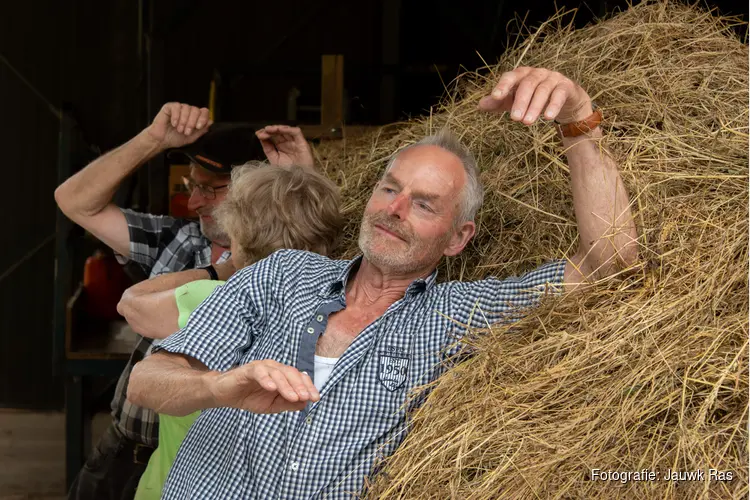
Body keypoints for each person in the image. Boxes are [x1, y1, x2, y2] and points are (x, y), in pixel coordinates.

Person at [127, 67, 639, 499]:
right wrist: (218, 386)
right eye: (389, 189)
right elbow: (148, 381)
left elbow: (608, 264)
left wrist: (578, 119)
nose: (393, 210)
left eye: (422, 203)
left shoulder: (458, 315)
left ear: (458, 238)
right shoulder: (283, 274)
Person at [54, 101, 317, 500]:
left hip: (207, 472)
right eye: (190, 186)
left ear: (254, 191)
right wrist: (153, 139)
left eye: (210, 189)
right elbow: (73, 200)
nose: (194, 202)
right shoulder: (179, 238)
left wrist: (301, 176)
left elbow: (313, 239)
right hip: (126, 449)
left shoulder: (294, 270)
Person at [113, 162, 343, 500]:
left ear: (243, 234)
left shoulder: (210, 299)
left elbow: (131, 303)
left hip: (182, 481)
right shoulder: (339, 311)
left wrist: (218, 269)